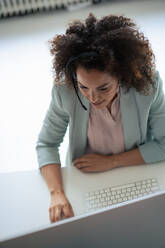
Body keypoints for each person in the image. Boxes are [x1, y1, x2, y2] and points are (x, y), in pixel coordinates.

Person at [36, 13, 165, 223]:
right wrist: (56, 194)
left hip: (133, 172)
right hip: (85, 178)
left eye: (104, 87)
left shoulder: (148, 85)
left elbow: (164, 143)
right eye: (83, 87)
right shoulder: (64, 90)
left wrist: (112, 162)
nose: (93, 98)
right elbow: (46, 144)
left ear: (122, 75)